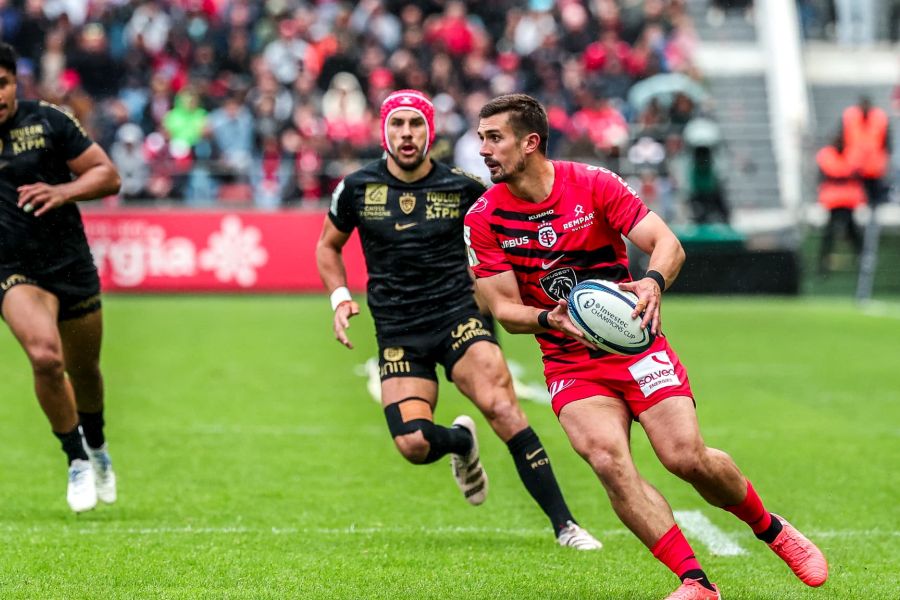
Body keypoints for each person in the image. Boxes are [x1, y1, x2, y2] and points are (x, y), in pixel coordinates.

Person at [463, 93, 828, 600]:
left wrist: (653, 281)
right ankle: (696, 582)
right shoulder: (483, 217)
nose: (482, 149)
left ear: (530, 143)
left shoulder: (592, 184)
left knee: (685, 458)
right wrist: (553, 318)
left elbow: (667, 243)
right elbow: (503, 309)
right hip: (569, 359)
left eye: (493, 137)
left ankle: (771, 528)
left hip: (634, 344)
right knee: (608, 461)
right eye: (481, 137)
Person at [316, 89, 601, 549]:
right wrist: (339, 297)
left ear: (430, 131)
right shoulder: (355, 188)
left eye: (415, 125)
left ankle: (565, 524)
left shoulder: (465, 188)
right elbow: (328, 245)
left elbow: (505, 241)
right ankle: (460, 445)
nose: (406, 134)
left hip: (459, 318)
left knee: (503, 408)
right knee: (412, 444)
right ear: (383, 130)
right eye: (397, 124)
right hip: (397, 331)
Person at [0, 43, 121, 513]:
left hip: (69, 263)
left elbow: (108, 176)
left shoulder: (48, 121)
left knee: (84, 370)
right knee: (46, 359)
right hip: (12, 270)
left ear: (15, 84)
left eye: (3, 84)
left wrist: (63, 190)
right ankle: (76, 460)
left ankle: (97, 446)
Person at [815, 133, 866, 274]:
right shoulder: (827, 156)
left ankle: (862, 257)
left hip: (848, 199)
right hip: (834, 200)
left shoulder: (853, 155)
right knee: (833, 231)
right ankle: (824, 261)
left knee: (850, 229)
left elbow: (858, 175)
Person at [842, 96, 891, 207]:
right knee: (859, 192)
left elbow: (886, 140)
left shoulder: (879, 118)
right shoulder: (851, 118)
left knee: (874, 192)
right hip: (856, 162)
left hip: (874, 163)